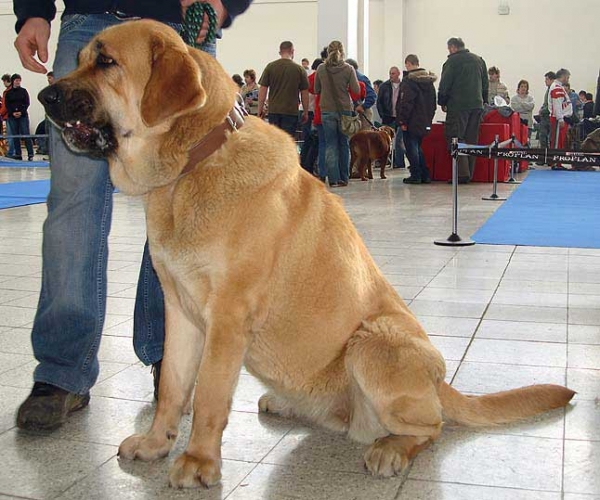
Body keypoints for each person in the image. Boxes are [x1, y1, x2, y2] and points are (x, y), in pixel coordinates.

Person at [13, 0, 252, 431]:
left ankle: (170, 361)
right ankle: (62, 370)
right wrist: (33, 10)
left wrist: (225, 3)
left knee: (181, 208)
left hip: (179, 31)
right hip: (89, 17)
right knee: (73, 203)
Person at [438, 37, 488, 183]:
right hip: (477, 105)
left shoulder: (452, 62)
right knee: (472, 140)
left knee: (456, 137)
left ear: (453, 47)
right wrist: (483, 101)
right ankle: (470, 173)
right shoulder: (479, 60)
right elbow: (485, 85)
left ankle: (462, 174)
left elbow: (445, 84)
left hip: (458, 106)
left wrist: (442, 101)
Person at [314, 40, 360, 187]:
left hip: (327, 110)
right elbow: (357, 90)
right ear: (342, 52)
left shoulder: (321, 69)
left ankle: (333, 179)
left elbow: (316, 89)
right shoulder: (349, 69)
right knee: (344, 144)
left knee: (330, 145)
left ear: (328, 52)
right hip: (344, 110)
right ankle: (344, 178)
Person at [397, 54, 437, 184]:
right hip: (424, 120)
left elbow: (406, 102)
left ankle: (416, 174)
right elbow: (433, 103)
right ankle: (424, 174)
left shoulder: (409, 81)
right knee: (418, 146)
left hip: (411, 120)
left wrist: (402, 120)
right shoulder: (429, 82)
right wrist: (428, 119)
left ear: (408, 64)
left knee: (411, 147)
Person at [258, 40, 308, 137]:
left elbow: (263, 89)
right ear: (292, 51)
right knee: (287, 142)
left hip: (274, 111)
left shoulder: (270, 67)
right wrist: (305, 112)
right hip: (291, 112)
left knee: (274, 141)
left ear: (280, 52)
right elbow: (304, 93)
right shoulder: (299, 69)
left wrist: (260, 109)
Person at [376, 66, 406, 168]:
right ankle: (384, 161)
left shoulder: (404, 86)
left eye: (393, 73)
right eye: (390, 73)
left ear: (398, 74)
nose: (391, 75)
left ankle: (399, 163)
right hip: (388, 117)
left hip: (400, 117)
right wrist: (382, 115)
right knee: (385, 141)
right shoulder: (384, 86)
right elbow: (379, 102)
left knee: (399, 141)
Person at [5, 73, 35, 161]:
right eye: (16, 80)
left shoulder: (23, 91)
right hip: (12, 116)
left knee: (26, 134)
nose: (18, 82)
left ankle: (30, 154)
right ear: (13, 81)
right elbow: (7, 105)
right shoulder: (9, 93)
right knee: (15, 136)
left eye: (19, 80)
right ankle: (18, 154)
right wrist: (13, 112)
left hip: (23, 116)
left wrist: (21, 112)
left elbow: (27, 103)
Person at [345, 58, 377, 130]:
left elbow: (372, 95)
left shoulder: (361, 78)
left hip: (363, 112)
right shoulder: (348, 78)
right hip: (353, 111)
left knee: (364, 136)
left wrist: (363, 106)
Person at [548, 68, 573, 156]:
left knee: (560, 141)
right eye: (567, 77)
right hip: (558, 118)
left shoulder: (558, 87)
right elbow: (557, 105)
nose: (568, 79)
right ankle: (555, 161)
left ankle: (557, 161)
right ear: (563, 76)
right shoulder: (556, 88)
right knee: (557, 141)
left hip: (560, 117)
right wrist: (560, 119)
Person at [0, 73, 16, 157]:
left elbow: (5, 105)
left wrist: (0, 113)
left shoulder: (7, 92)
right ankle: (13, 152)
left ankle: (11, 153)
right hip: (11, 115)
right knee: (13, 134)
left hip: (8, 116)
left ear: (6, 81)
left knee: (10, 135)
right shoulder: (14, 90)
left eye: (4, 82)